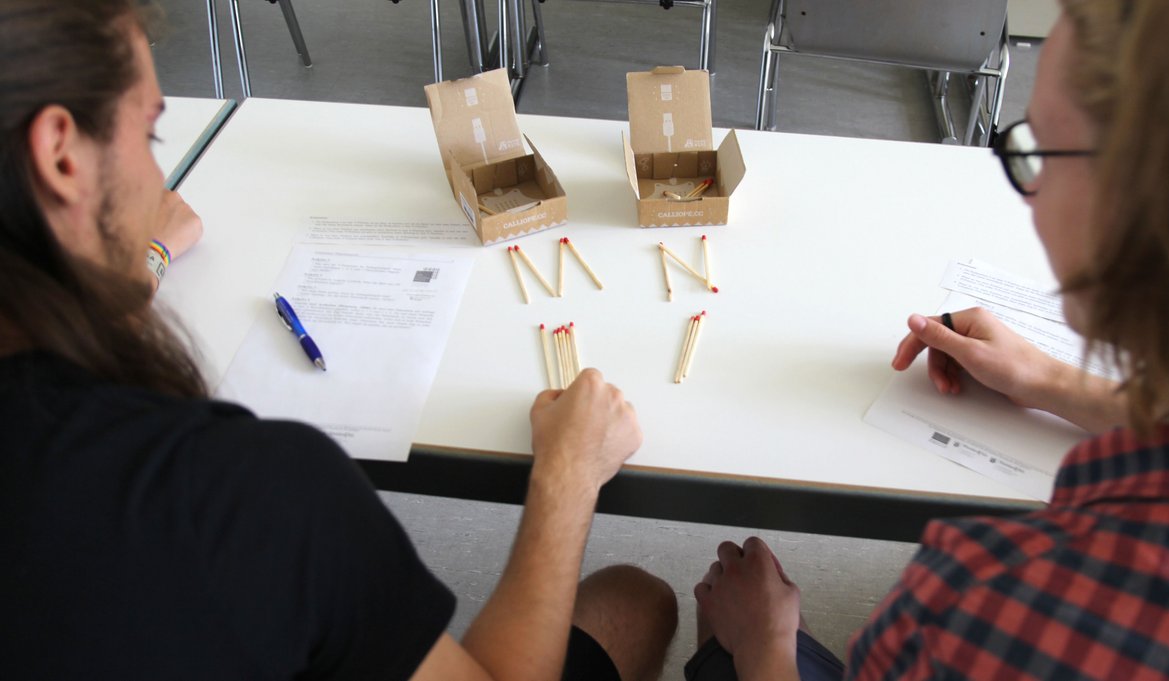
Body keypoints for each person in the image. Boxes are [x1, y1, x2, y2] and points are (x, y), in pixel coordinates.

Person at [0, 2, 677, 680]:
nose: (159, 181)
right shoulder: (248, 495)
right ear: (61, 154)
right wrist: (568, 473)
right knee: (637, 602)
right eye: (150, 136)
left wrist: (137, 261)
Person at [688, 0, 1169, 679]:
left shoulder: (979, 600)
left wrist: (764, 641)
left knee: (721, 625)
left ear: (1133, 202)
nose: (1027, 195)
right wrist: (1048, 381)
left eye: (1037, 151)